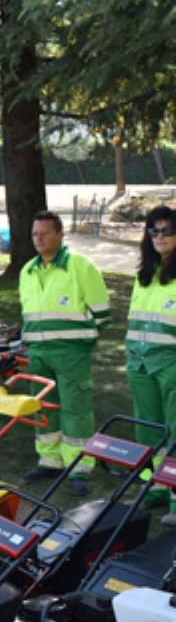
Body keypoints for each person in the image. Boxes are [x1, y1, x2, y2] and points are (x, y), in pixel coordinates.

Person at [19, 210, 110, 497]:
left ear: (60, 234)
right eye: (35, 233)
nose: (39, 239)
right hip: (38, 353)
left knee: (76, 409)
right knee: (43, 407)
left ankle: (79, 467)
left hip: (71, 354)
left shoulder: (81, 266)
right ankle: (50, 460)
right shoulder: (27, 271)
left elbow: (102, 315)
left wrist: (79, 343)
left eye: (45, 233)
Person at [126, 206, 176, 524]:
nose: (159, 236)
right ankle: (153, 485)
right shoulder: (143, 277)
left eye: (167, 230)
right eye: (153, 231)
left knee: (175, 432)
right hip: (140, 363)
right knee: (148, 428)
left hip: (170, 364)